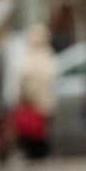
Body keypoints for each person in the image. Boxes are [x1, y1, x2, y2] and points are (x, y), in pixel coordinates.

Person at [16, 24, 58, 161]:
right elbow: (24, 77)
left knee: (42, 128)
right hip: (33, 98)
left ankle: (41, 153)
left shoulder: (47, 54)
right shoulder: (30, 56)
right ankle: (33, 153)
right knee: (33, 129)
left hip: (43, 98)